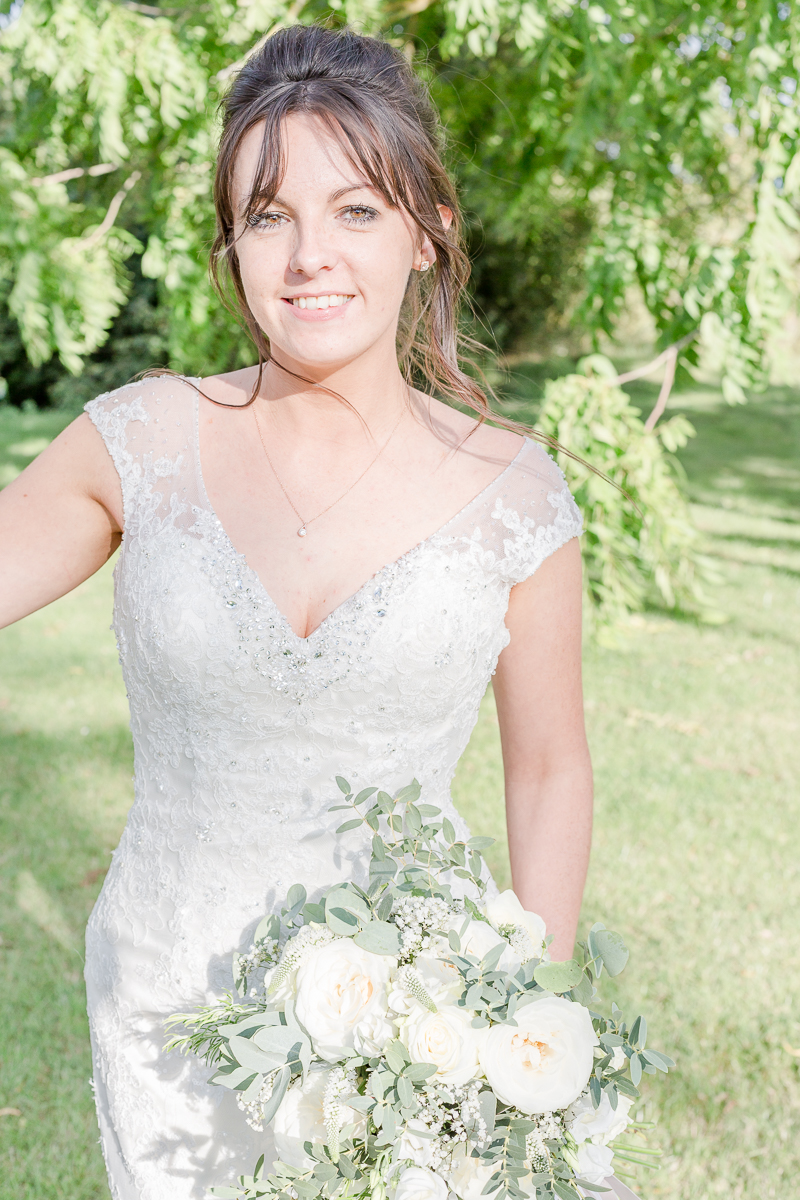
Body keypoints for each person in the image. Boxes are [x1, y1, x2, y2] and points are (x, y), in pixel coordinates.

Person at [0, 24, 592, 1200]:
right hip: (167, 1001)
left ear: (426, 232)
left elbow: (548, 770)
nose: (309, 256)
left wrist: (533, 1015)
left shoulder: (515, 495)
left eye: (355, 211)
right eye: (268, 215)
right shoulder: (142, 441)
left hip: (414, 1016)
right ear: (232, 247)